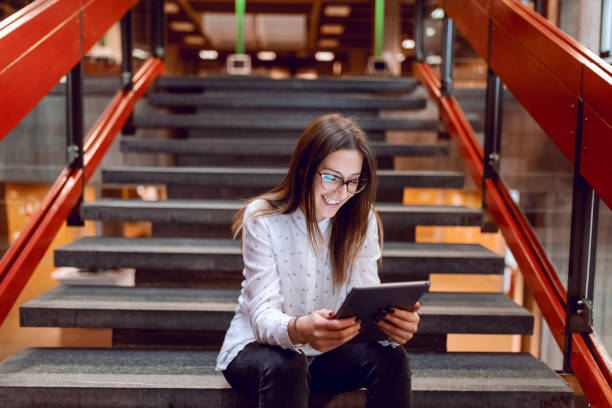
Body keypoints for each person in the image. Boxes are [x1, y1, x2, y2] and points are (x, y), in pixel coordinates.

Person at [216, 113, 421, 407]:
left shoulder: (362, 219)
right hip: (257, 350)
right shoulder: (263, 218)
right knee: (288, 363)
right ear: (304, 169)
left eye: (353, 182)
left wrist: (391, 326)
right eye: (331, 178)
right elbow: (261, 315)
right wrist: (299, 329)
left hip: (329, 355)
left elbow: (364, 298)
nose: (341, 193)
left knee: (392, 357)